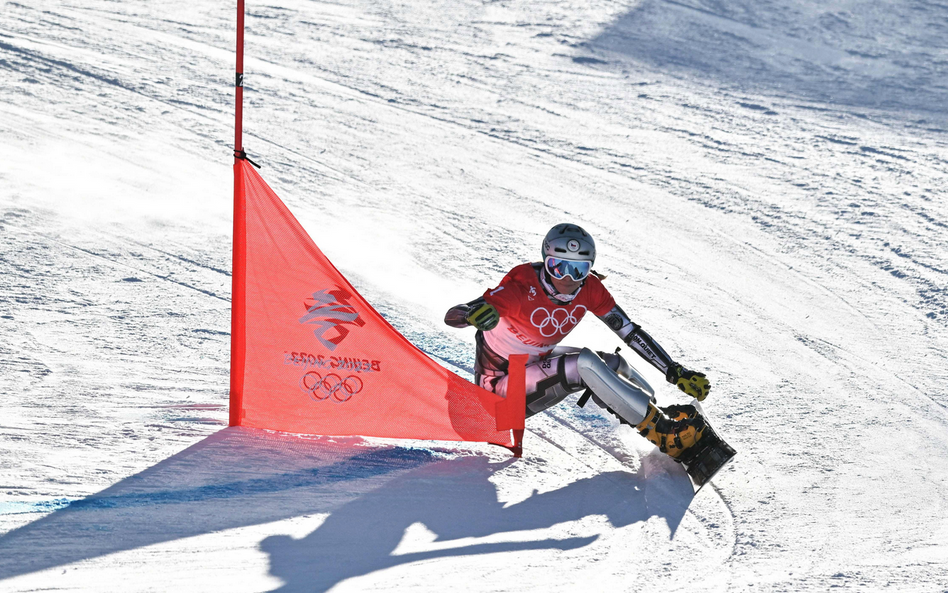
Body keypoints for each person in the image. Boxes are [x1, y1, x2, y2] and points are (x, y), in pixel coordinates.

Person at [445, 223, 712, 461]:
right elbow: (453, 315)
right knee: (584, 363)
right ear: (545, 262)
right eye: (558, 266)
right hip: (498, 395)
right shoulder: (521, 287)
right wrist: (471, 315)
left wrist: (674, 371)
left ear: (589, 270)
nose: (566, 279)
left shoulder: (590, 289)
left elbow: (628, 331)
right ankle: (661, 431)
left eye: (578, 270)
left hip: (532, 365)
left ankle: (654, 411)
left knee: (613, 364)